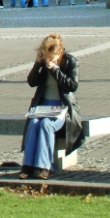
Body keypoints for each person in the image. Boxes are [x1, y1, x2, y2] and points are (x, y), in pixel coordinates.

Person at [19, 34, 83, 180]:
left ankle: (44, 166)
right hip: (43, 107)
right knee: (34, 123)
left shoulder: (70, 61)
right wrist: (37, 64)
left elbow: (72, 86)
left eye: (51, 57)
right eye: (46, 57)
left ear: (59, 53)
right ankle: (28, 166)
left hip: (62, 108)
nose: (48, 60)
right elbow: (31, 82)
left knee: (46, 125)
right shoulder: (43, 62)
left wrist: (55, 70)